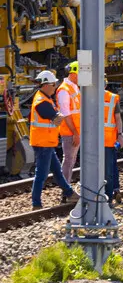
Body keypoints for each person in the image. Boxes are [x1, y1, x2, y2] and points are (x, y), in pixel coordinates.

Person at [27, 71, 74, 209]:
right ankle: (36, 203)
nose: (55, 87)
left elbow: (57, 117)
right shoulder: (42, 102)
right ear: (46, 84)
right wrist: (61, 115)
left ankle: (69, 192)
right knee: (41, 174)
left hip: (47, 142)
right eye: (53, 84)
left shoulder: (45, 99)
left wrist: (59, 115)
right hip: (43, 143)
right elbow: (58, 119)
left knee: (57, 171)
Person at [55, 60, 80, 177]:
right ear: (74, 74)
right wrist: (75, 133)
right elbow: (66, 114)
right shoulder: (64, 90)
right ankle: (65, 190)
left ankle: (66, 188)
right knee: (69, 161)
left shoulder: (74, 87)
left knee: (71, 161)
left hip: (76, 131)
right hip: (70, 132)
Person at [100, 85, 121, 202]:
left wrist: (120, 135)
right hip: (108, 139)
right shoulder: (112, 98)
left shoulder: (87, 97)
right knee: (110, 168)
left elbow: (117, 118)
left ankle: (108, 197)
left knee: (108, 170)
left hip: (100, 140)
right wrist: (120, 135)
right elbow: (118, 118)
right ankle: (113, 192)